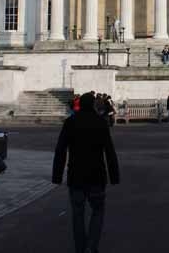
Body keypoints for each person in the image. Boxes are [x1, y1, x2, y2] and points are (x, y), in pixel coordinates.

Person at [53, 92, 120, 253]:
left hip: (76, 174)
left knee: (77, 214)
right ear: (93, 105)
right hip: (97, 174)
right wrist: (114, 176)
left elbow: (60, 150)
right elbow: (109, 151)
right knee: (98, 211)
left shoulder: (70, 122)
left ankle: (80, 248)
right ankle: (92, 246)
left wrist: (57, 175)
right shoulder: (100, 122)